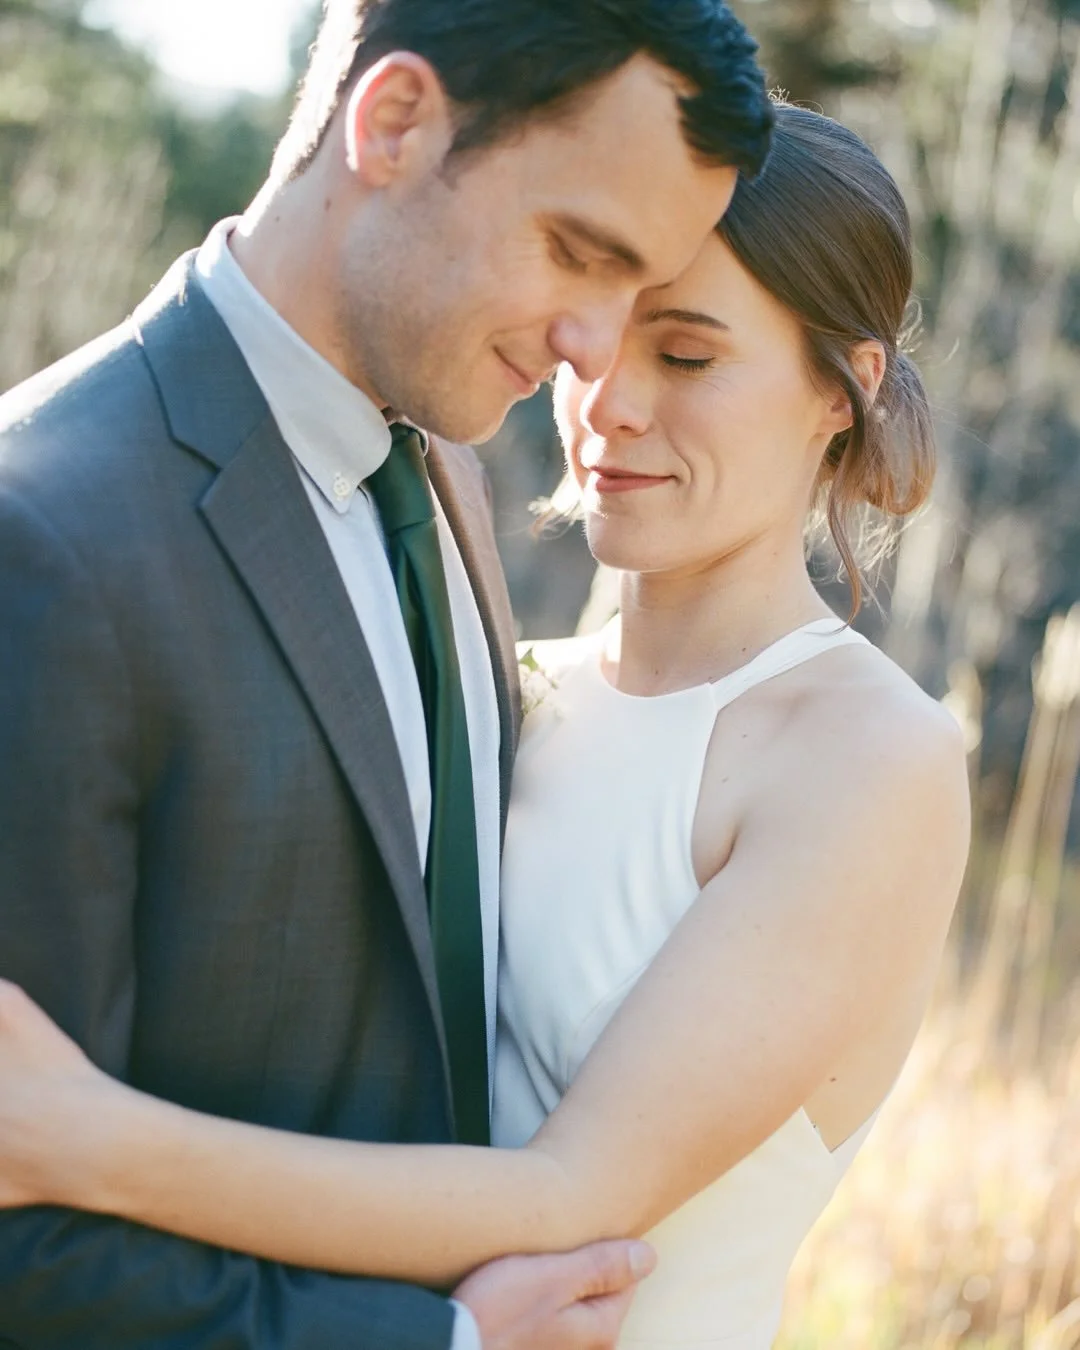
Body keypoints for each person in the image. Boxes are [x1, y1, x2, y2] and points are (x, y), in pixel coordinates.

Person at [0, 103, 969, 1350]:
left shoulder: (867, 759)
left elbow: (574, 1197)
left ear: (846, 389)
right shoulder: (513, 680)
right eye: (597, 343)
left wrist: (83, 1139)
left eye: (685, 358)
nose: (608, 404)